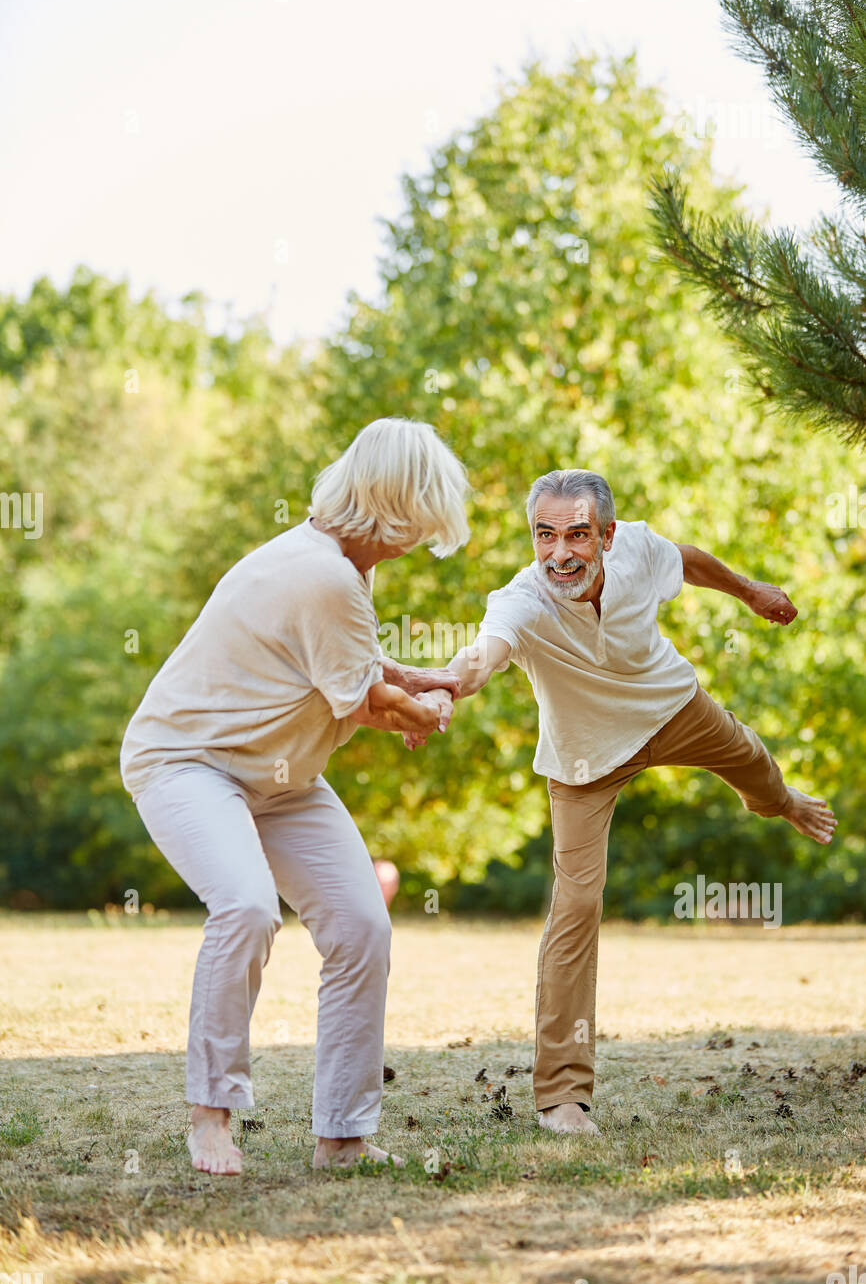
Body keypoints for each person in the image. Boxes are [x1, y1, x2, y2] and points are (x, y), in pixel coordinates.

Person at [408, 468, 837, 1136]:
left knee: (754, 761)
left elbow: (687, 561)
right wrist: (439, 690)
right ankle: (561, 1097)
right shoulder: (522, 600)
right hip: (584, 760)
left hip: (670, 707)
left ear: (606, 535)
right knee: (576, 904)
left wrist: (749, 591)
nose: (559, 554)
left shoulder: (637, 550)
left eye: (577, 535)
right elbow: (479, 659)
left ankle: (779, 802)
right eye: (544, 536)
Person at [119, 417, 468, 1174]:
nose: (420, 538)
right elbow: (367, 702)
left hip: (280, 778)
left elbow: (360, 664)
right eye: (422, 517)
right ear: (395, 508)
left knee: (359, 925)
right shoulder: (326, 574)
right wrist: (426, 710)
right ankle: (210, 1117)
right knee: (245, 906)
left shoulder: (339, 566)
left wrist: (419, 680)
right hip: (189, 764)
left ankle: (342, 1135)